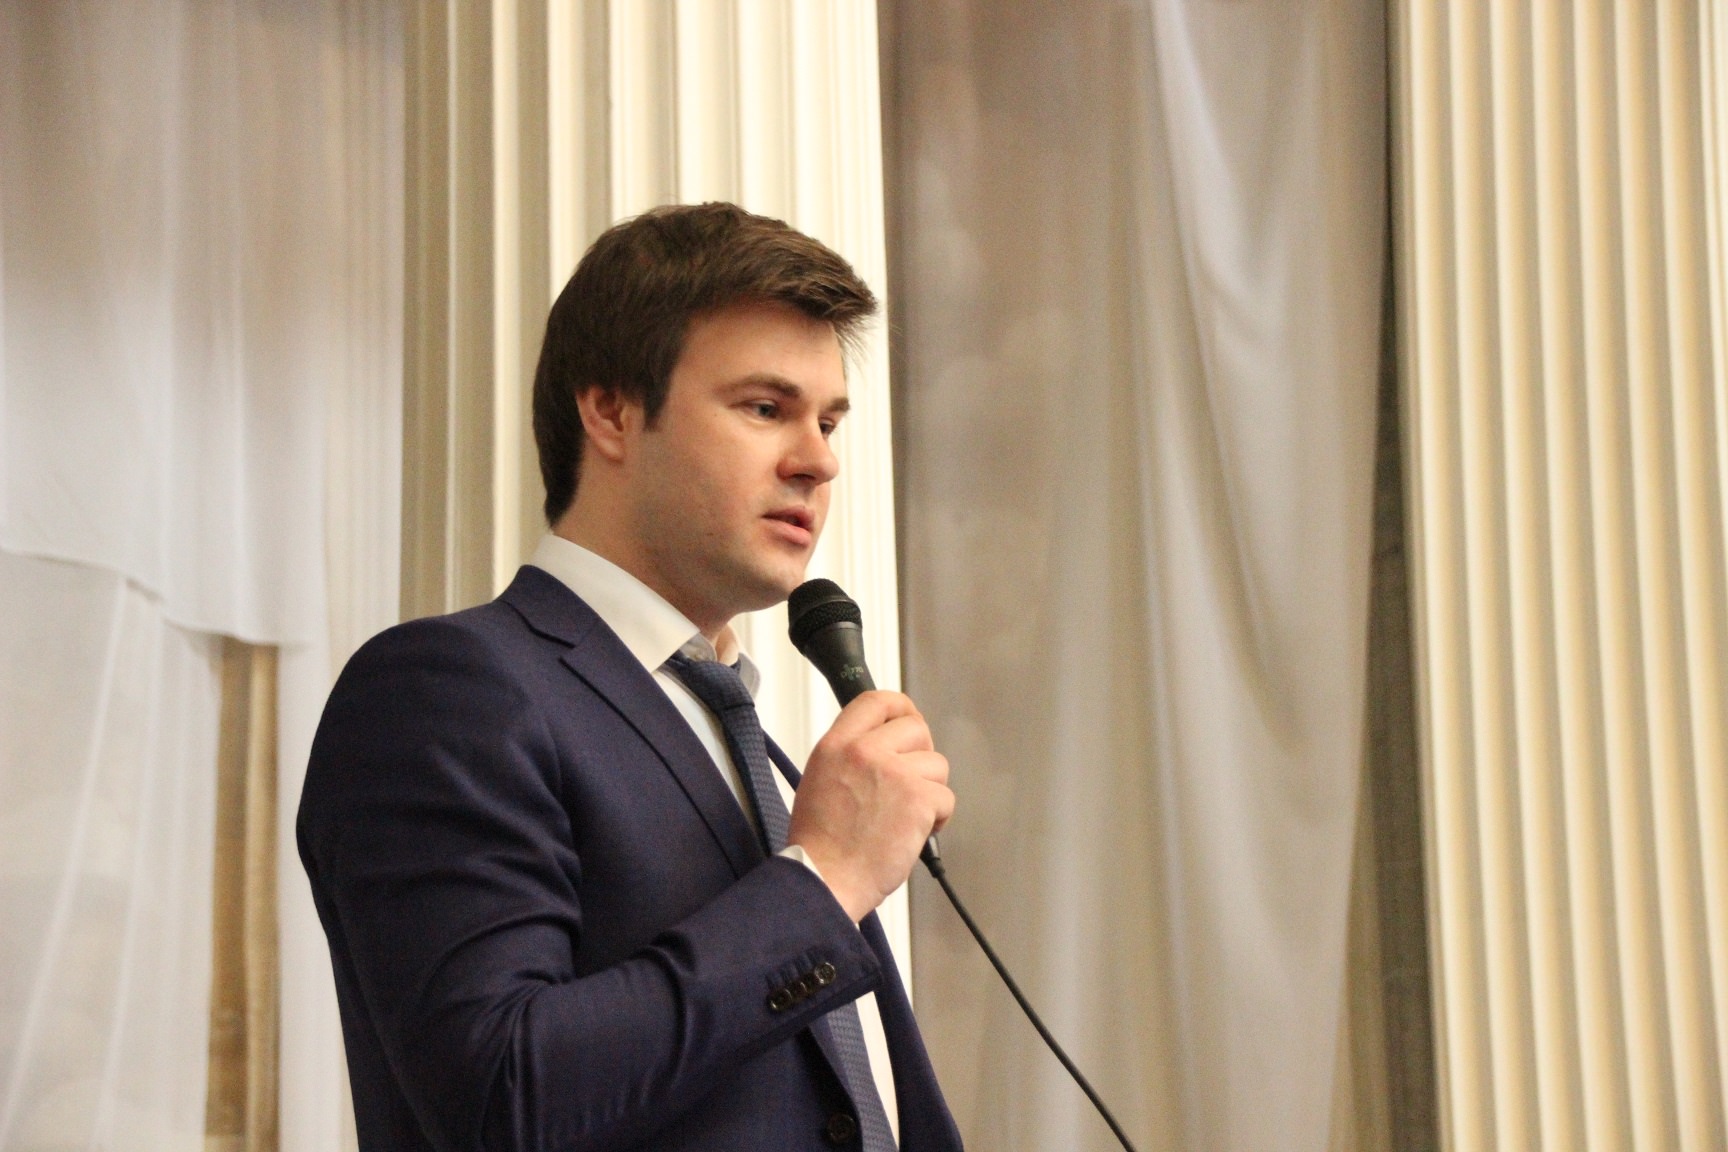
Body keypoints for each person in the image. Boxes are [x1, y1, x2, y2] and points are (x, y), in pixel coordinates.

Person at [298, 202, 964, 1151]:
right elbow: (501, 1094)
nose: (819, 461)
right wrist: (824, 881)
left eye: (828, 420)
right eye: (765, 408)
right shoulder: (443, 691)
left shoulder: (741, 732)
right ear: (609, 410)